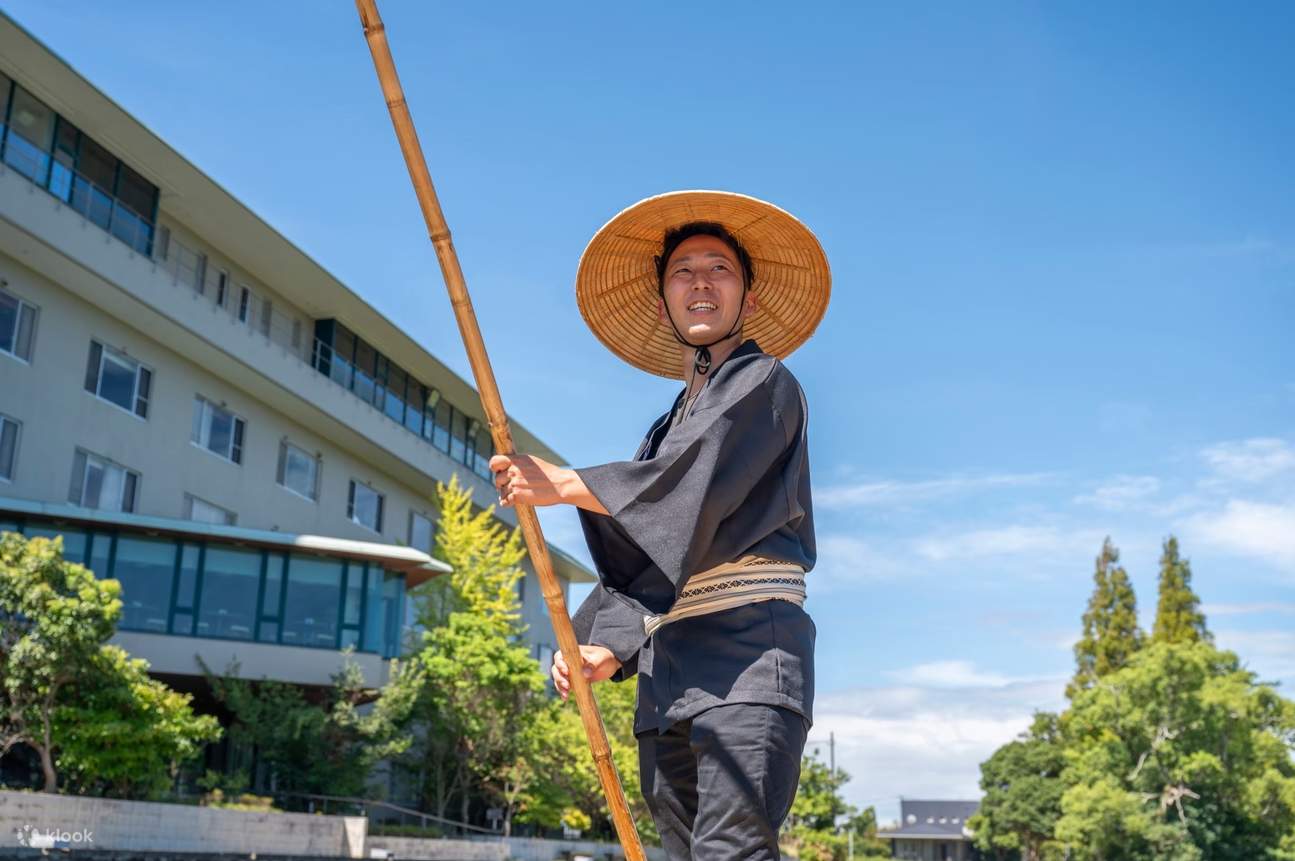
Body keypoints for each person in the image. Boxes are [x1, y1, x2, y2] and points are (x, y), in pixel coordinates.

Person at [489, 190, 830, 860]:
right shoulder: (663, 430)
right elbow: (650, 548)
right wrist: (603, 644)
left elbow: (682, 495)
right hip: (668, 678)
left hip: (748, 663)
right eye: (682, 271)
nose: (700, 281)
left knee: (731, 851)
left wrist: (565, 483)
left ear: (749, 298)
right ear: (663, 302)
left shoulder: (765, 382)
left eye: (719, 268)